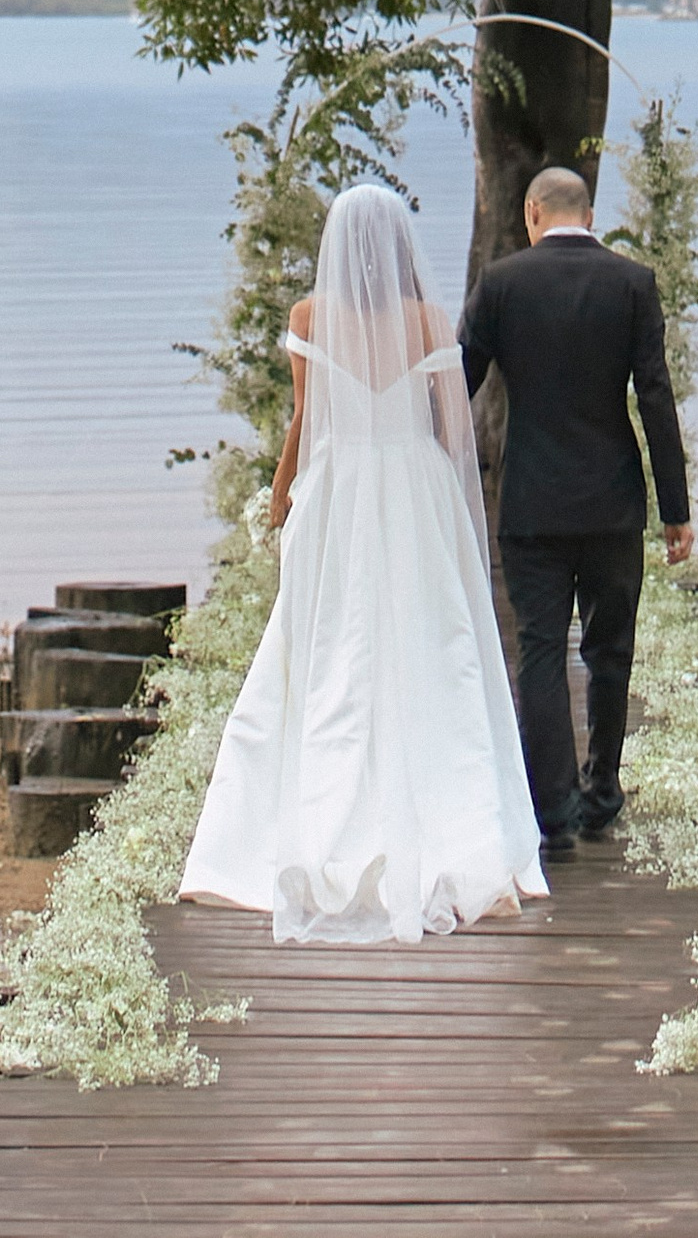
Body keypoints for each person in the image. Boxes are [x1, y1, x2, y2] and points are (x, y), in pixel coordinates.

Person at [179, 181, 546, 943]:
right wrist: (450, 509)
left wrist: (281, 496)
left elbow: (304, 421)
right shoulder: (429, 322)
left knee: (330, 647)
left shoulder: (309, 318)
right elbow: (452, 428)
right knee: (427, 645)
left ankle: (313, 822)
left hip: (340, 492)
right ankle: (463, 829)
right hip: (413, 488)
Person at [457, 162, 693, 856]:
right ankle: (602, 793)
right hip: (613, 498)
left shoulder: (501, 285)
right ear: (589, 216)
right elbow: (655, 397)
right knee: (608, 649)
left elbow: (457, 386)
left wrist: (426, 471)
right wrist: (674, 509)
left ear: (532, 214)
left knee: (538, 648)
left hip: (531, 499)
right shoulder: (632, 284)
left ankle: (552, 806)